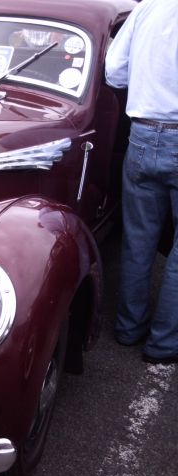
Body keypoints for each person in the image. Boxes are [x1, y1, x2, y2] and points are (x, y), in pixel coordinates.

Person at [105, 0, 178, 364]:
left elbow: (114, 73)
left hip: (143, 133)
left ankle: (129, 328)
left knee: (138, 238)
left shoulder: (147, 8)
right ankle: (165, 343)